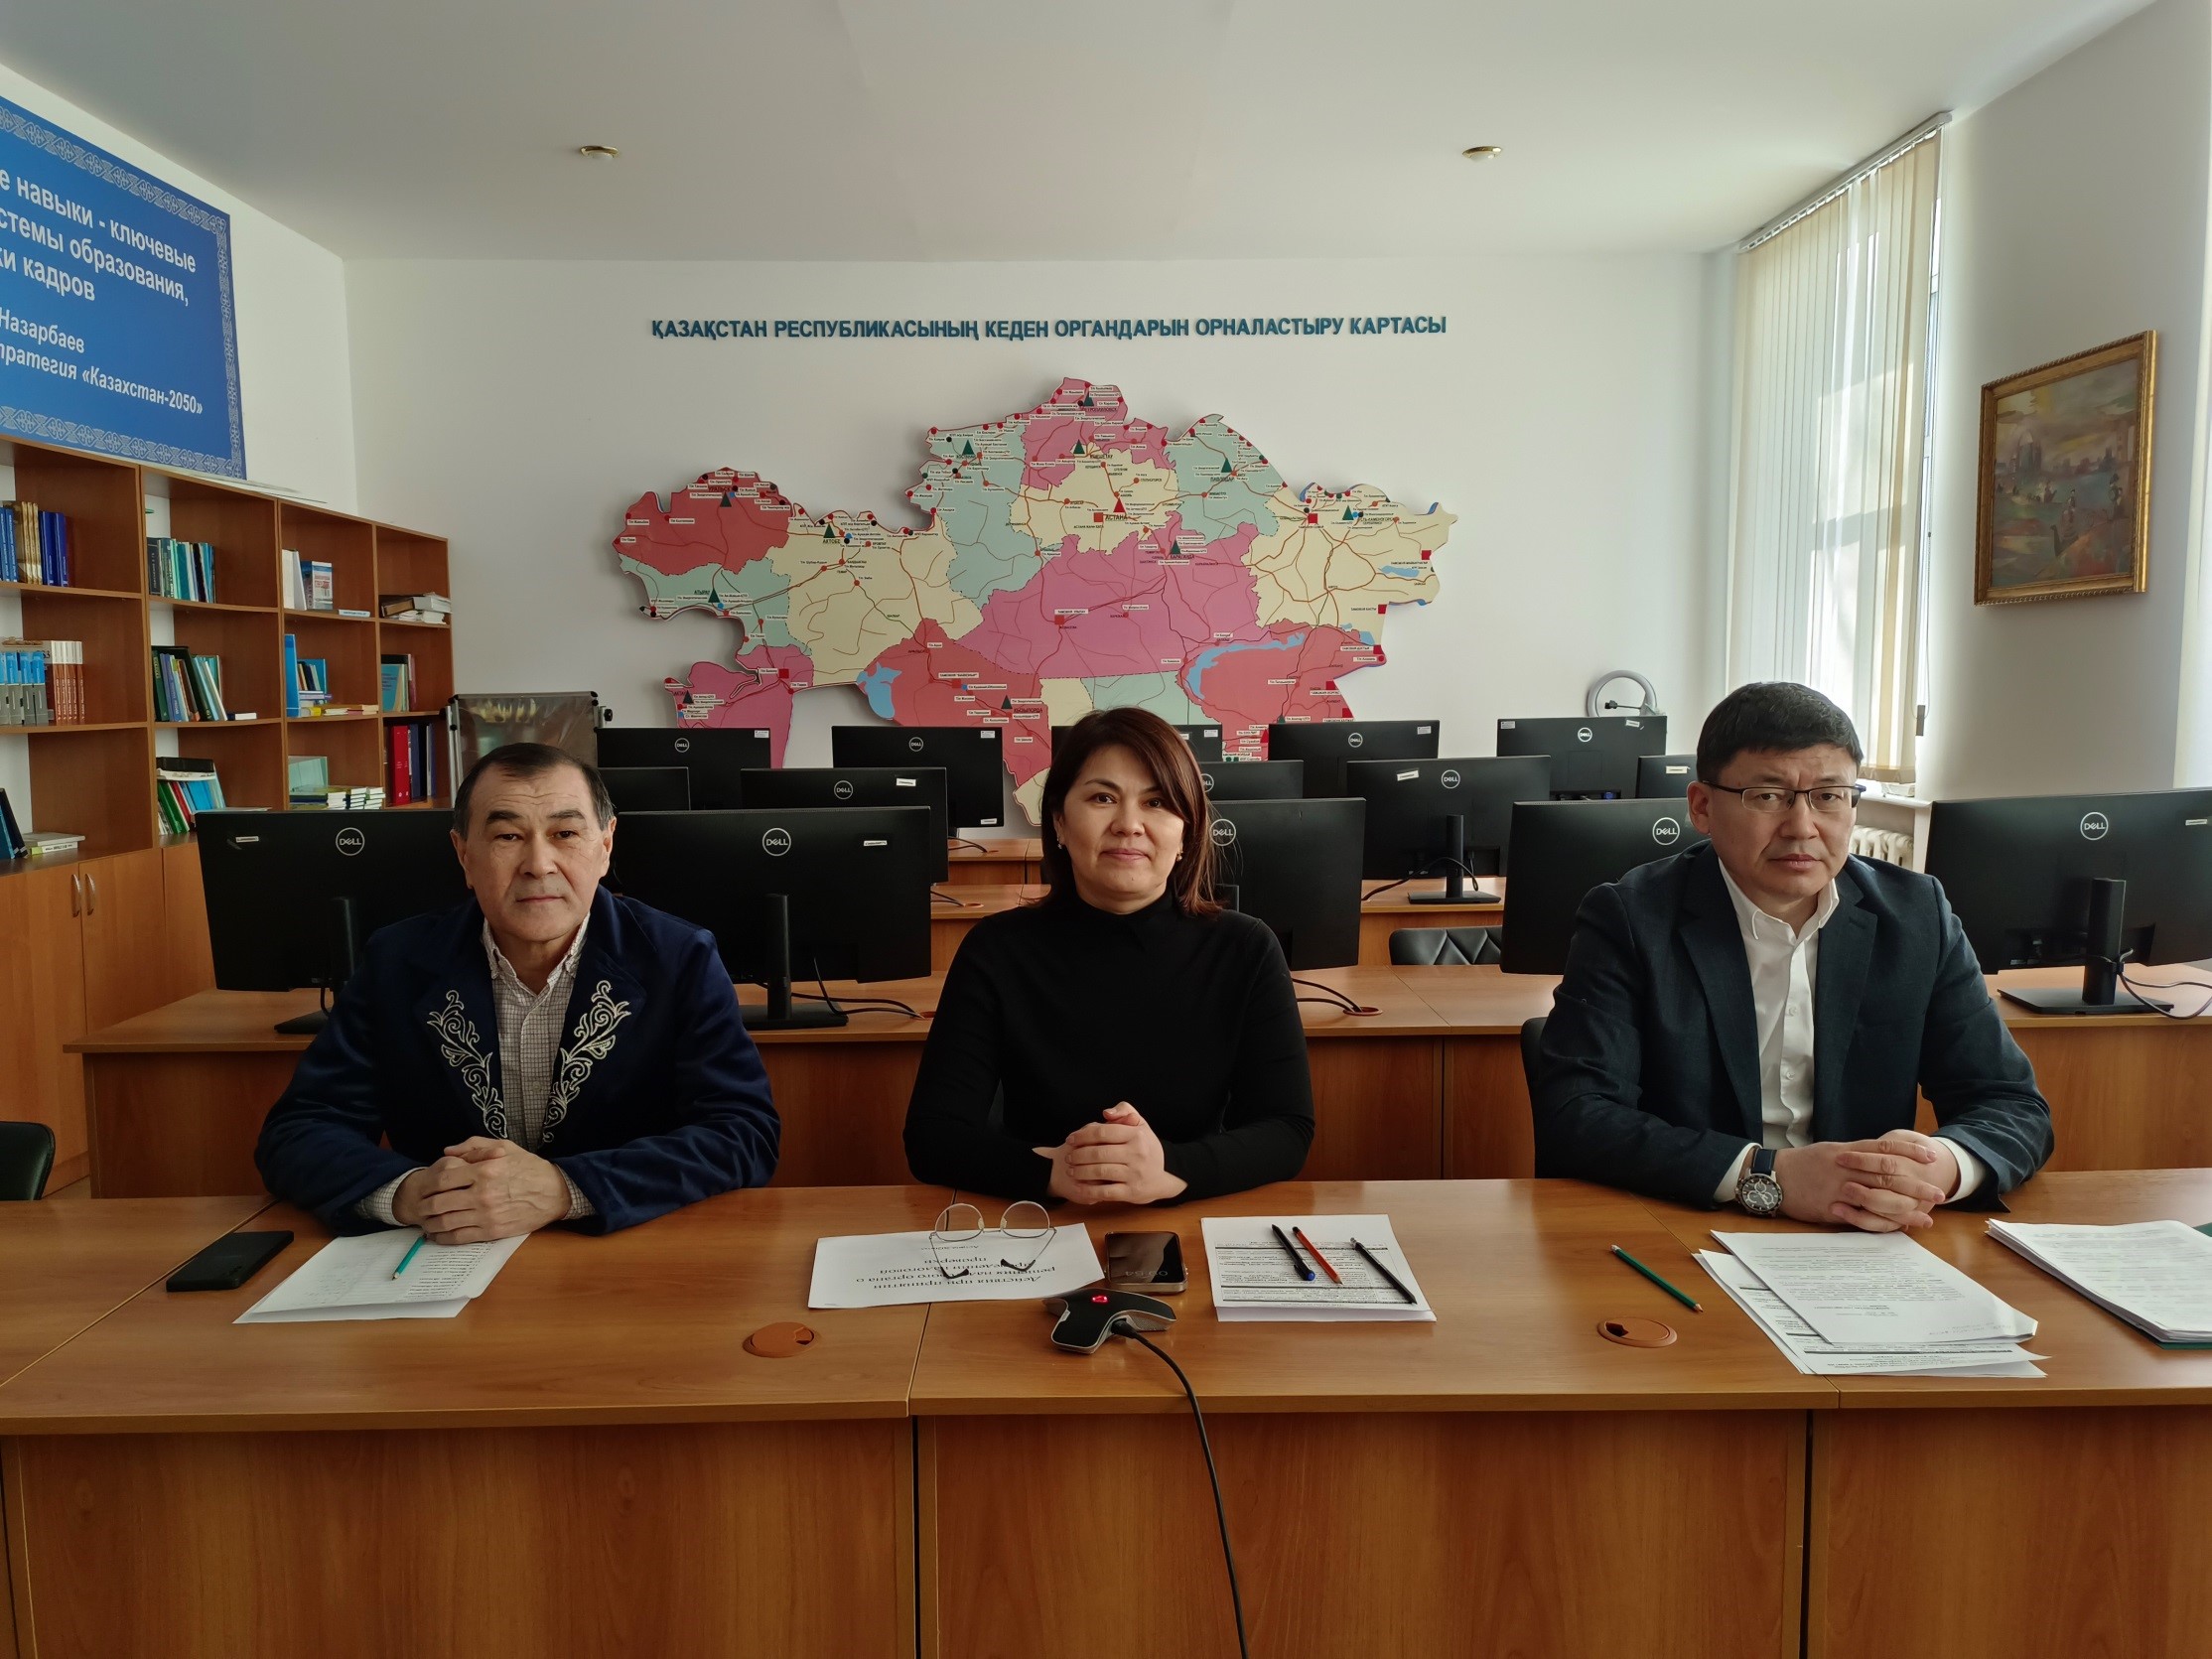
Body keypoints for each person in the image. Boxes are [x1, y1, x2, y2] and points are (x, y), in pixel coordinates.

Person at [1533, 682, 2053, 1228]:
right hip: (1683, 1221)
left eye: (1829, 796)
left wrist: (1939, 1166)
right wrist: (1765, 1175)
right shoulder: (1631, 918)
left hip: (1866, 1235)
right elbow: (1578, 1113)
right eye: (1767, 796)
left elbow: (2011, 1103)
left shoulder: (1917, 916)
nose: (1802, 827)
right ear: (1702, 807)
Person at [256, 742, 779, 1237]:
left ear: (605, 846)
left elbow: (742, 1132)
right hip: (447, 1250)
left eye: (565, 833)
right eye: (508, 837)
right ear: (463, 853)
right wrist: (412, 1193)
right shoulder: (398, 962)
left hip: (622, 1252)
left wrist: (567, 1189)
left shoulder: (678, 958)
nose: (538, 864)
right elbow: (301, 1129)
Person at [904, 707, 1313, 1204]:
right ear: (1058, 821)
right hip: (1041, 1222)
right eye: (1102, 798)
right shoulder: (996, 949)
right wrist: (1055, 1172)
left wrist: (1170, 1169)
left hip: (1191, 1215)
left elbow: (1287, 1129)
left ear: (1186, 833)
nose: (1129, 825)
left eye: (1156, 802)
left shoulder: (1245, 948)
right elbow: (933, 1136)